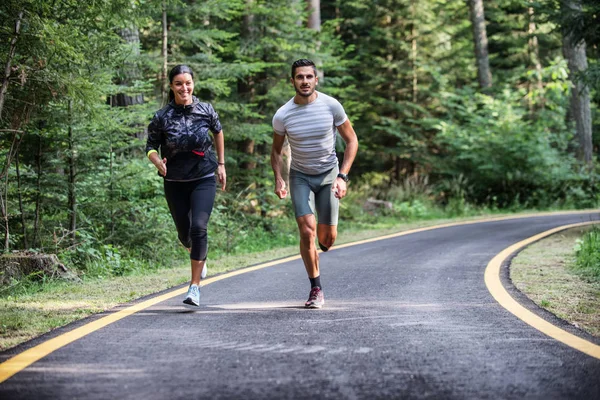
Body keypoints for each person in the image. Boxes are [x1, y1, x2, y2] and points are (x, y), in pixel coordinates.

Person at [271, 59, 358, 309]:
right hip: (299, 176)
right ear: (292, 81)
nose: (305, 81)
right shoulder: (283, 114)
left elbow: (352, 141)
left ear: (316, 80)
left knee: (327, 239)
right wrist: (278, 178)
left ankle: (323, 241)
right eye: (300, 77)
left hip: (329, 175)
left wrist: (343, 176)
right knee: (306, 229)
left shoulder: (331, 106)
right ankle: (316, 288)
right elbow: (276, 151)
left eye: (309, 77)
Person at [146, 64, 226, 307]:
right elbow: (150, 146)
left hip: (203, 177)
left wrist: (221, 164)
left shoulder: (205, 109)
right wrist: (157, 161)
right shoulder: (162, 116)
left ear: (193, 84)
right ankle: (198, 254)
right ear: (171, 86)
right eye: (178, 83)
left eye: (188, 82)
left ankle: (194, 288)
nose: (184, 87)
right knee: (185, 233)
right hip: (174, 181)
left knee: (199, 228)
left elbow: (218, 131)